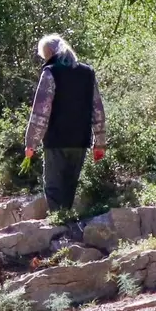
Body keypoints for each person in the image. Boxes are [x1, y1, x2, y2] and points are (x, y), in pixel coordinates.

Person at [24, 34, 107, 213]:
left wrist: (31, 142)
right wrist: (99, 142)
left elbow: (41, 112)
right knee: (70, 185)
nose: (45, 59)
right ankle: (67, 224)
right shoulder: (87, 72)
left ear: (50, 53)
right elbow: (98, 109)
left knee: (54, 187)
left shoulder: (51, 72)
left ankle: (58, 225)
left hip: (56, 140)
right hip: (80, 140)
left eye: (44, 55)